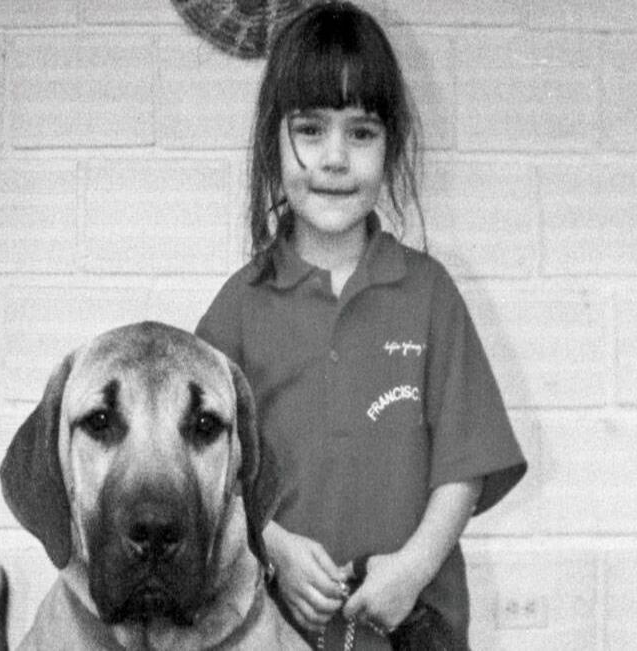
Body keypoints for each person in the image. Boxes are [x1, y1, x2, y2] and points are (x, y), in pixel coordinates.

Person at [194, 3, 527, 649]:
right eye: (311, 130)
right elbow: (204, 471)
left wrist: (414, 568)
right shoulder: (237, 306)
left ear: (391, 143)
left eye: (362, 132)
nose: (336, 159)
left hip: (415, 622)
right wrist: (276, 548)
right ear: (273, 142)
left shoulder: (430, 294)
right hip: (271, 626)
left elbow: (467, 464)